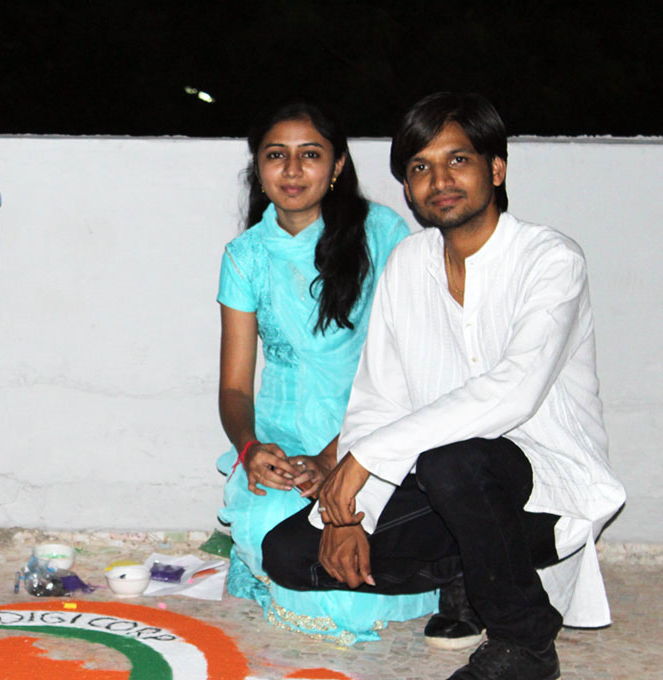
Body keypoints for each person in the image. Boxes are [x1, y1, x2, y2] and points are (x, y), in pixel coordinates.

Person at [262, 93, 625, 680]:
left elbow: (512, 392)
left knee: (456, 461)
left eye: (458, 160)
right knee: (288, 555)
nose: (440, 180)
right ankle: (471, 575)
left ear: (496, 169)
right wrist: (349, 516)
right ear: (408, 189)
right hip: (441, 481)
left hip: (542, 487)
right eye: (420, 168)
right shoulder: (408, 263)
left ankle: (524, 643)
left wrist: (363, 460)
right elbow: (380, 398)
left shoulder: (550, 260)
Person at [215, 101, 436, 644]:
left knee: (349, 591)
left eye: (310, 155)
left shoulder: (381, 234)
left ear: (337, 166)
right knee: (271, 532)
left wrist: (332, 458)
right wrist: (251, 449)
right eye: (276, 156)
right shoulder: (245, 256)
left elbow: (411, 369)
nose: (292, 170)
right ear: (258, 169)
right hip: (286, 443)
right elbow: (235, 386)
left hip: (373, 434)